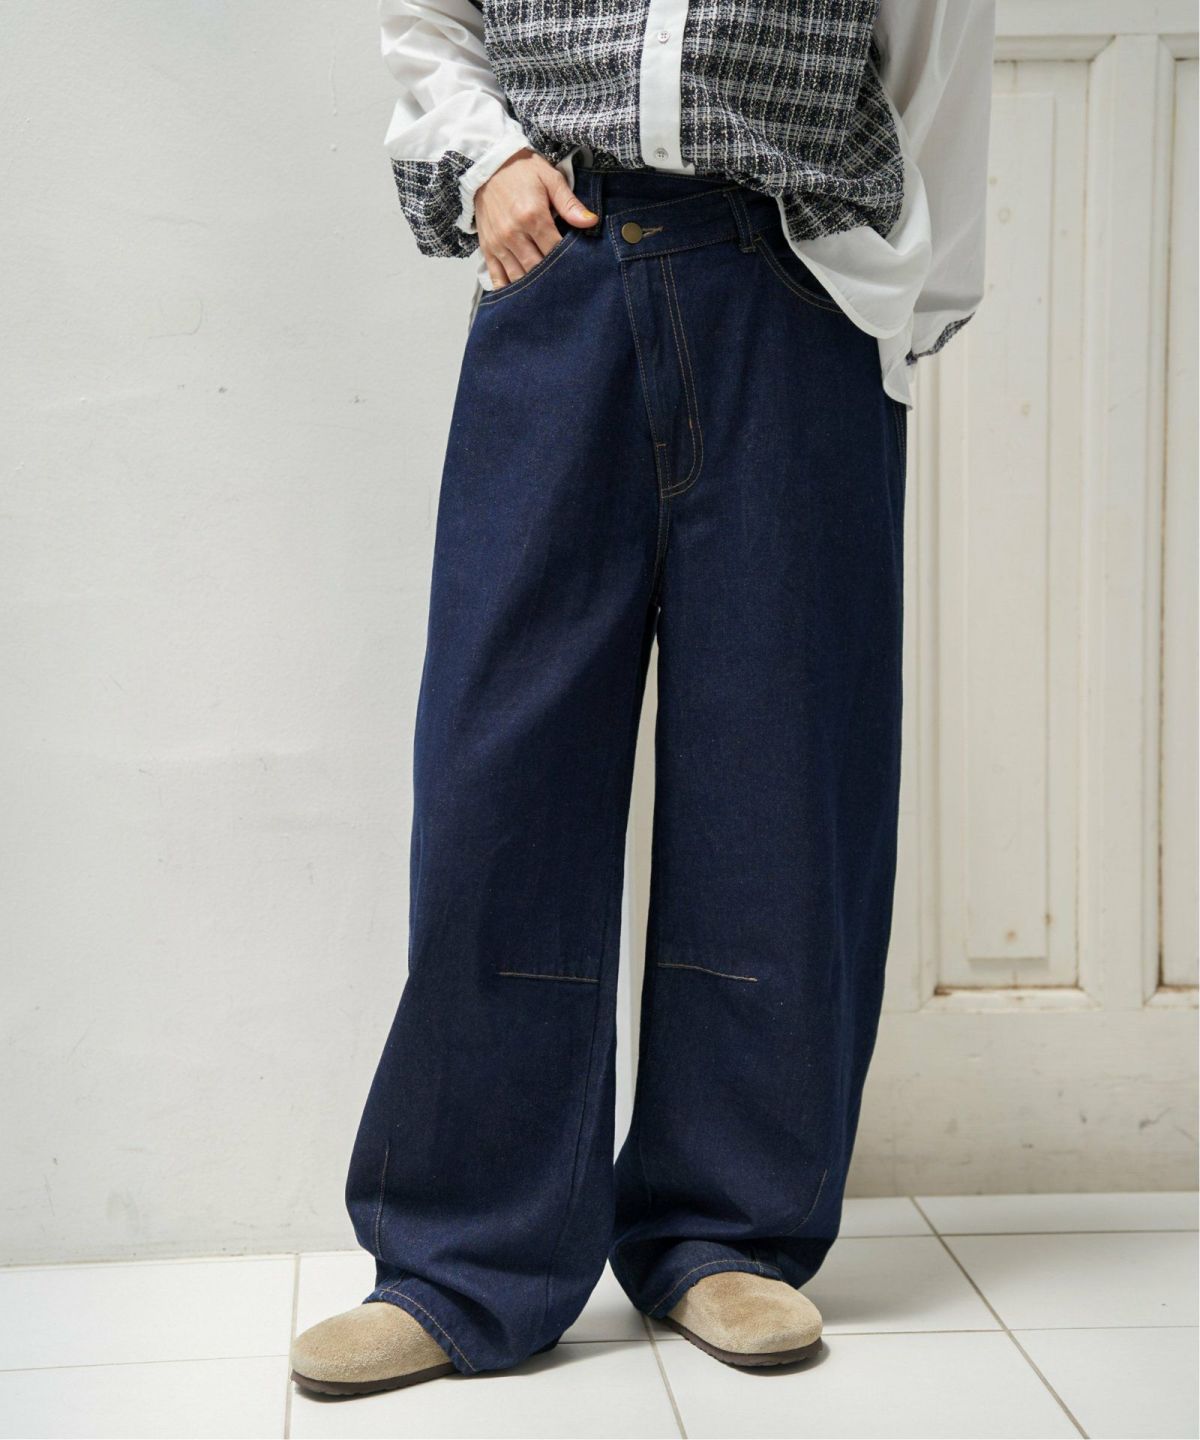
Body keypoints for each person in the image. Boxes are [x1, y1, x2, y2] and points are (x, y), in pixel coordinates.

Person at [292, 0, 995, 1397]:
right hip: (559, 263)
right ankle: (465, 1256)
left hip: (795, 283)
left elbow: (938, 54)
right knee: (501, 767)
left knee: (783, 769)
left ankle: (727, 1232)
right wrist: (488, 160)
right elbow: (431, 18)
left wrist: (892, 306)